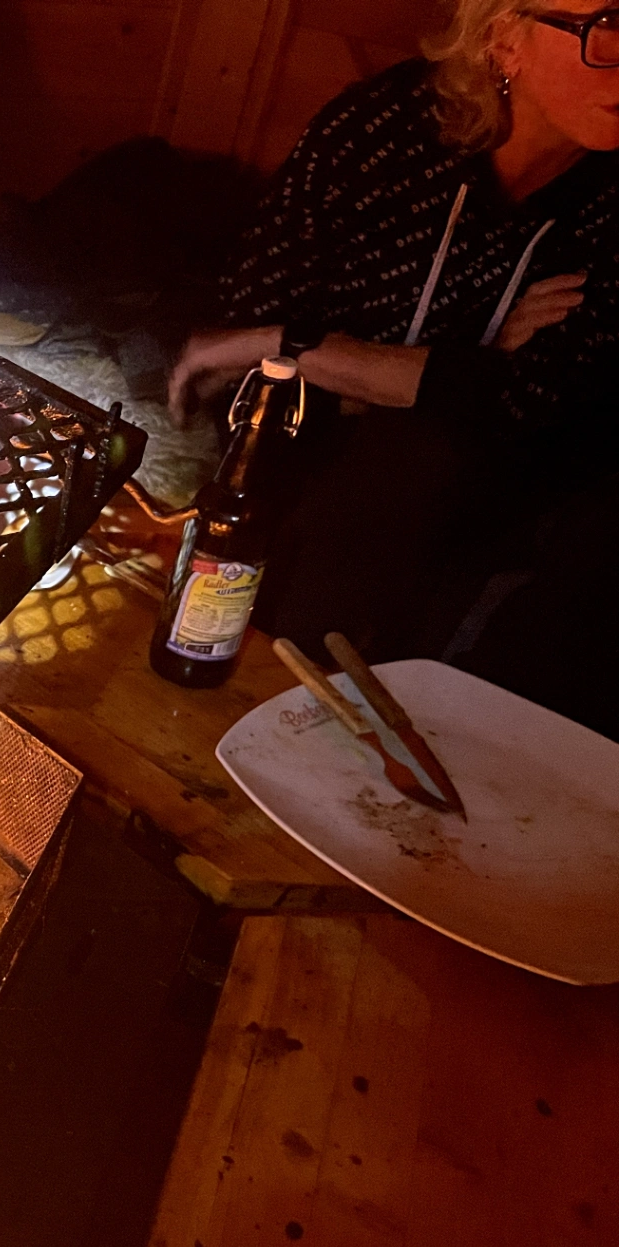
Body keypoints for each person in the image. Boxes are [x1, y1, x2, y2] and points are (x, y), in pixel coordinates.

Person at [166, 0, 619, 735]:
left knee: (419, 460)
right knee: (346, 468)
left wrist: (303, 348)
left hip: (478, 465)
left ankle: (290, 725)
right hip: (308, 428)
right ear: (505, 40)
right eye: (611, 25)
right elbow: (252, 318)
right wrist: (471, 359)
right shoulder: (386, 130)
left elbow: (529, 401)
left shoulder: (608, 204)